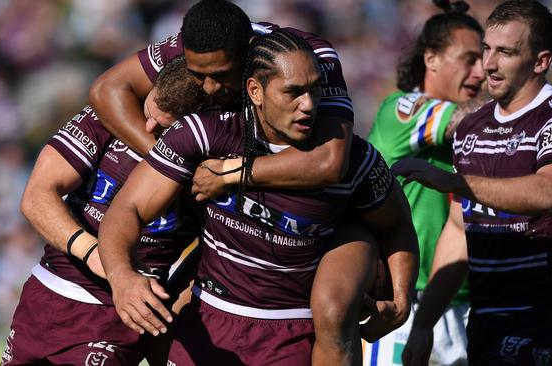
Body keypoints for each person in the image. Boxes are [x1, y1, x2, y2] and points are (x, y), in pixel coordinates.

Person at [90, 1, 414, 363]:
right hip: (217, 302)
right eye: (200, 76)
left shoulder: (320, 70)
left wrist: (228, 172)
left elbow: (332, 164)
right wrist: (173, 163)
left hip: (291, 318)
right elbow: (108, 92)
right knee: (172, 306)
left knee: (334, 309)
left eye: (311, 91)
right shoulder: (204, 120)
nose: (210, 88)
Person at [393, 1, 552, 364]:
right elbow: (460, 231)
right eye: (486, 50)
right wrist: (424, 324)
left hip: (548, 322)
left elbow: (551, 191)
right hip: (484, 322)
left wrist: (455, 182)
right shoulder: (472, 128)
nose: (488, 65)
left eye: (505, 53)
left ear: (541, 61)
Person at [0, 57, 207, 366]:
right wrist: (103, 260)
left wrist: (170, 296)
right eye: (150, 110)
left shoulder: (210, 165)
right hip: (45, 294)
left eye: (163, 126)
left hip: (117, 316)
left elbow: (218, 245)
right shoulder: (109, 116)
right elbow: (36, 197)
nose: (147, 127)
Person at [363, 1, 485, 364]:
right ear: (431, 58)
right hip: (406, 304)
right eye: (469, 59)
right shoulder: (402, 109)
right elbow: (470, 121)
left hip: (466, 304)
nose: (482, 72)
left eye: (486, 60)